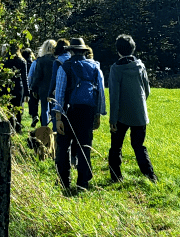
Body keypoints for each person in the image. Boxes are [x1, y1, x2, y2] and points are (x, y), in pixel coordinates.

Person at [51, 38, 106, 192]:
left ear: (71, 51)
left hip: (69, 112)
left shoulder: (65, 67)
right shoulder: (95, 67)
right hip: (88, 111)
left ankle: (64, 181)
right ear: (83, 51)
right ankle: (83, 183)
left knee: (64, 146)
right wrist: (98, 114)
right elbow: (100, 93)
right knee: (85, 147)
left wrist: (58, 118)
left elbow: (60, 94)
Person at [107, 34, 157, 182]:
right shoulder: (140, 66)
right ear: (133, 49)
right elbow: (147, 89)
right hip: (139, 113)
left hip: (121, 114)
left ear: (118, 50)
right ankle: (150, 175)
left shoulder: (116, 69)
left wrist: (113, 119)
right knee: (138, 145)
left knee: (116, 146)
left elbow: (114, 96)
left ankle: (116, 176)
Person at [27, 39, 57, 127]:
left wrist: (33, 88)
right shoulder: (56, 60)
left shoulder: (41, 60)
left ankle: (44, 128)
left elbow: (37, 76)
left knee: (44, 109)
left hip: (43, 89)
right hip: (54, 88)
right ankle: (55, 129)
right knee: (54, 109)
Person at [2, 45, 30, 132]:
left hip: (7, 86)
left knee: (8, 107)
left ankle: (10, 126)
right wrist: (27, 93)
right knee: (18, 108)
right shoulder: (22, 61)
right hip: (18, 86)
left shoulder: (4, 61)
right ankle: (18, 127)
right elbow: (24, 78)